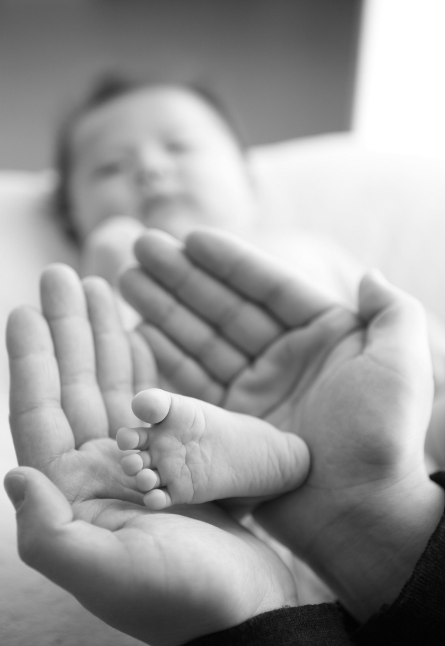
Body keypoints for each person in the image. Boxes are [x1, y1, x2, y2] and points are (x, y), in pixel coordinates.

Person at [4, 231, 445, 645]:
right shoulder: (130, 295)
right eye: (106, 178)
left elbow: (434, 368)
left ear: (250, 188)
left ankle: (249, 456)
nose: (149, 178)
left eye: (180, 147)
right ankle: (243, 457)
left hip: (316, 440)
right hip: (215, 449)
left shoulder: (306, 250)